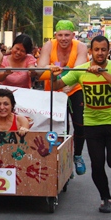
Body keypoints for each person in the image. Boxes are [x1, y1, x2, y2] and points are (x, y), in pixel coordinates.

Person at [49, 35, 111, 213]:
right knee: (97, 164)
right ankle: (105, 198)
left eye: (103, 49)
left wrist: (102, 72)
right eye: (96, 49)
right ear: (90, 51)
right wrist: (54, 76)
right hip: (92, 124)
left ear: (109, 51)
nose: (100, 53)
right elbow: (57, 85)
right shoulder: (81, 70)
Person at [36, 20, 88, 176]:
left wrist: (70, 85)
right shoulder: (49, 46)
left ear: (73, 35)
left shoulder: (81, 46)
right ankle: (61, 159)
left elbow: (79, 70)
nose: (64, 38)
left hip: (74, 88)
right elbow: (40, 69)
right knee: (59, 127)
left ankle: (77, 155)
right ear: (55, 36)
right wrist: (49, 68)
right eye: (60, 35)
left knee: (80, 124)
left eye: (67, 35)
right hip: (53, 89)